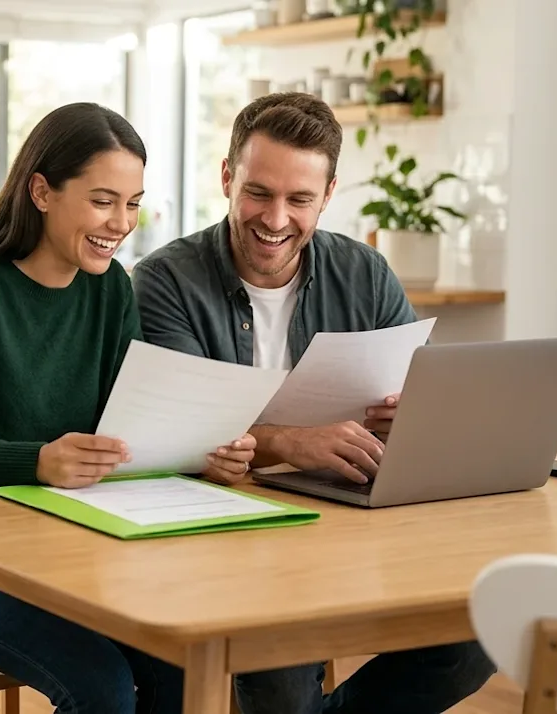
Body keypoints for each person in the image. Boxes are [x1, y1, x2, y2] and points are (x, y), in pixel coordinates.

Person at [0, 101, 256, 714]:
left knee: (183, 664)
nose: (121, 223)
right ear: (41, 192)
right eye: (103, 201)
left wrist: (201, 454)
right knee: (100, 685)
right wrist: (38, 461)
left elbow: (126, 432)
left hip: (61, 556)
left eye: (132, 204)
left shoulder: (111, 290)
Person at [131, 92, 496, 713]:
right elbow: (181, 424)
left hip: (348, 524)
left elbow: (422, 391)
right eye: (258, 192)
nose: (275, 219)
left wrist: (410, 415)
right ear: (227, 177)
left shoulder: (366, 274)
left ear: (327, 195)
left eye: (299, 199)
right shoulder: (164, 280)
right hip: (221, 534)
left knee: (472, 639)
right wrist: (287, 442)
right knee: (280, 680)